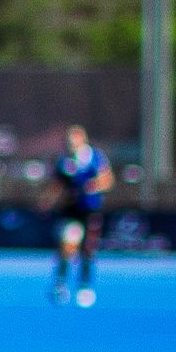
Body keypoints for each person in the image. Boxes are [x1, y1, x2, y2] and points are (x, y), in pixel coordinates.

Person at [49, 124, 111, 306]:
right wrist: (50, 200)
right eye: (68, 141)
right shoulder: (63, 161)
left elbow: (107, 179)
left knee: (88, 250)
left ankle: (85, 286)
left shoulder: (94, 157)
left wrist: (94, 185)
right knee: (67, 247)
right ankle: (60, 283)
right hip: (71, 211)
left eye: (74, 140)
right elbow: (57, 185)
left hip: (91, 210)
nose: (71, 144)